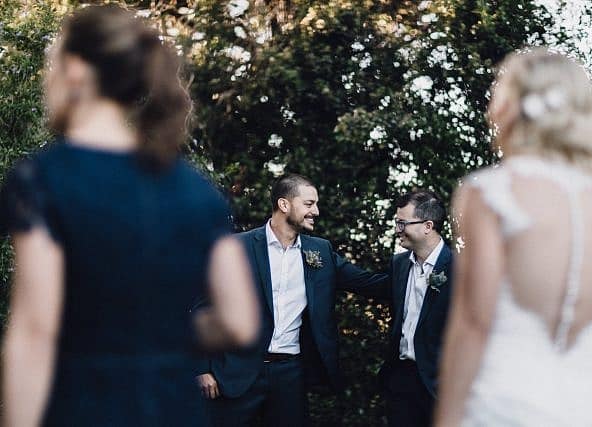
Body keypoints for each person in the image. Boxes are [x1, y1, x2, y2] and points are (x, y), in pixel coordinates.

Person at [0, 5, 258, 427]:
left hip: (86, 406)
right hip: (175, 408)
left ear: (77, 70)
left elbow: (34, 332)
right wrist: (165, 333)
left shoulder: (43, 179)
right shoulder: (196, 190)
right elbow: (240, 322)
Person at [435, 48, 592, 426]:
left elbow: (474, 325)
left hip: (503, 405)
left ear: (513, 105)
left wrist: (446, 418)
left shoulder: (494, 193)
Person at [196, 173, 389, 427]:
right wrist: (201, 367)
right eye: (309, 204)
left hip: (289, 375)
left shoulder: (320, 251)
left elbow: (368, 283)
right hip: (234, 372)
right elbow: (202, 308)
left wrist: (418, 270)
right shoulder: (237, 247)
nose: (316, 211)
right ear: (284, 204)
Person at [377, 191, 453, 427]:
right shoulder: (399, 264)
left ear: (427, 226)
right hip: (401, 381)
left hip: (440, 386)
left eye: (402, 223)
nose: (397, 228)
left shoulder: (461, 269)